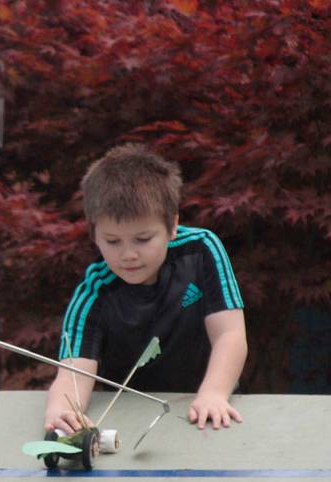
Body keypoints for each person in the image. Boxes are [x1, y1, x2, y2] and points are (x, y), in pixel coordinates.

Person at [44, 143, 247, 435]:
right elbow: (74, 370)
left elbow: (229, 333)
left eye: (142, 239)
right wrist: (63, 413)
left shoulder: (202, 249)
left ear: (172, 225)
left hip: (213, 410)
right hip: (132, 420)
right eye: (113, 242)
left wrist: (214, 393)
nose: (128, 254)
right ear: (94, 235)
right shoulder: (93, 291)